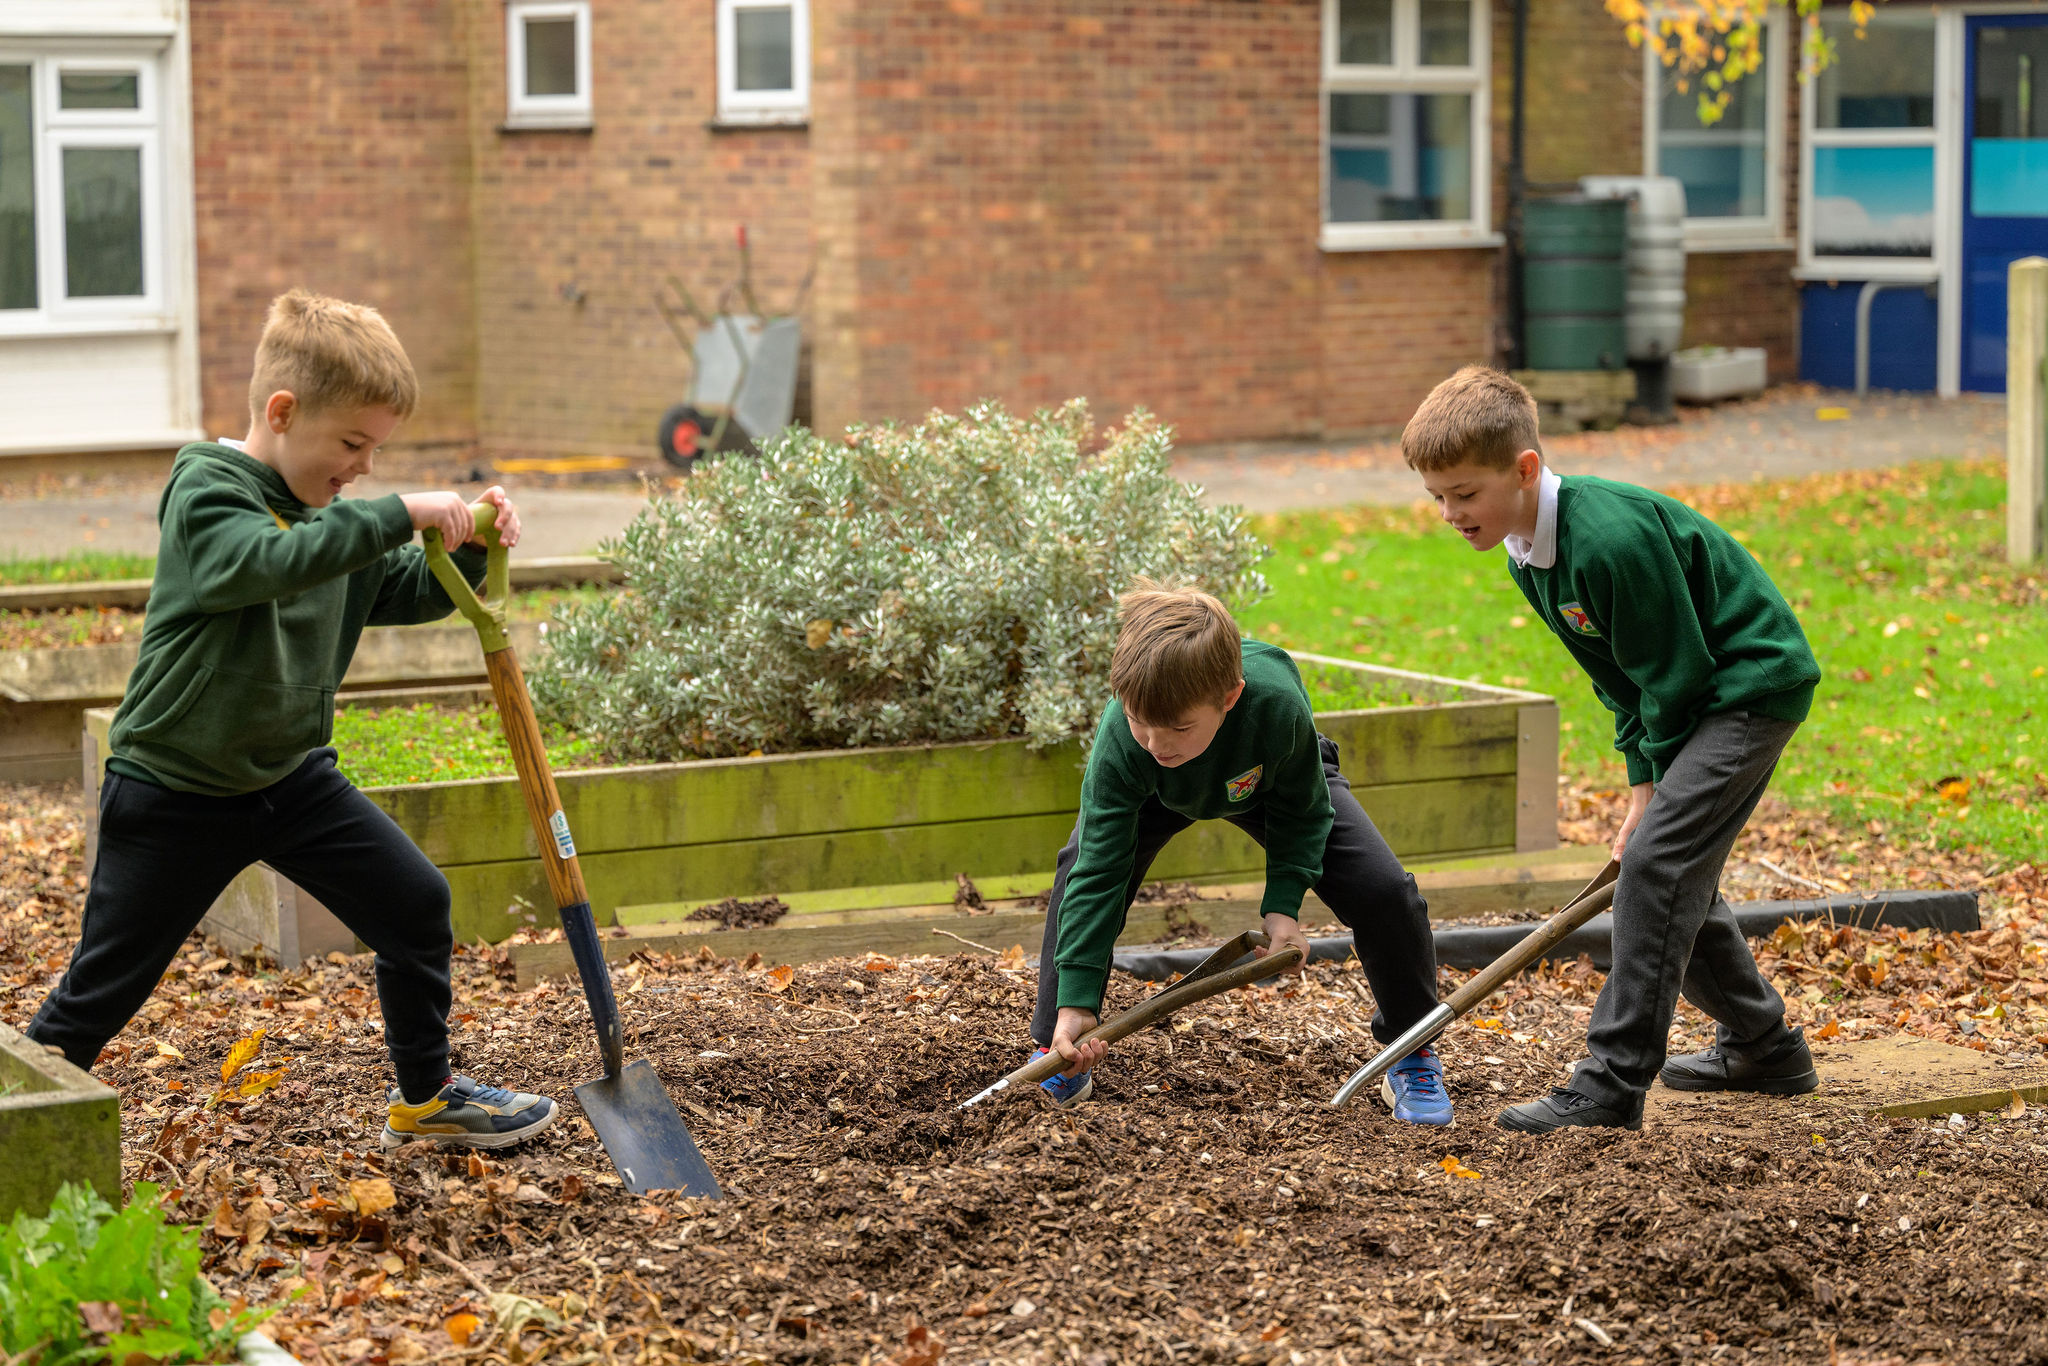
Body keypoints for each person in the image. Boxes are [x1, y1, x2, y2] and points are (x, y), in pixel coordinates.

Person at [27, 288, 557, 1150]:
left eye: (377, 451)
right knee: (102, 994)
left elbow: (404, 588)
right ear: (282, 411)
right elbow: (262, 563)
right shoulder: (207, 490)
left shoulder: (329, 522)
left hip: (292, 779)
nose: (365, 469)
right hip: (174, 790)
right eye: (353, 444)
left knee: (416, 903)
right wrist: (395, 516)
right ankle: (24, 1119)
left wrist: (473, 545)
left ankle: (428, 1098)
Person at [1402, 365, 1824, 1133]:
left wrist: (1658, 791)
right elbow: (1620, 680)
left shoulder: (1608, 539)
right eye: (1437, 496)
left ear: (1525, 469)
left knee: (1661, 864)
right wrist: (1643, 789)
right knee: (1666, 862)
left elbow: (1677, 674)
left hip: (1749, 689)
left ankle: (1610, 1082)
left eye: (1464, 494)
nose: (1447, 512)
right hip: (1695, 693)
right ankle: (1766, 1047)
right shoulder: (1526, 549)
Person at [1030, 580, 1451, 1125]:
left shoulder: (1274, 703)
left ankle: (1409, 1047)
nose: (1155, 743)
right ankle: (1058, 1046)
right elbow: (1100, 873)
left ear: (1228, 698)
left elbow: (1303, 809)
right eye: (1139, 722)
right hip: (1156, 796)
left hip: (1269, 780)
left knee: (1387, 892)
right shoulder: (1129, 743)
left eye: (1177, 726)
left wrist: (1283, 907)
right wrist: (1078, 1000)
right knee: (1075, 874)